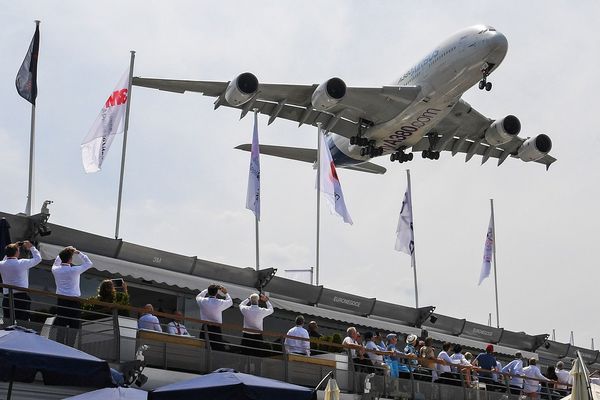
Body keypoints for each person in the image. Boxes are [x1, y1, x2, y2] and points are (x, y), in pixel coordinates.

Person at [51, 246, 93, 345]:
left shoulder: (56, 270)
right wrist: (78, 253)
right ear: (70, 259)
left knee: (61, 324)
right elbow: (89, 263)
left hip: (61, 300)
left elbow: (56, 262)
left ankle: (59, 345)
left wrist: (64, 252)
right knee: (74, 326)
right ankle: (70, 346)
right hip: (74, 301)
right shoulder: (74, 270)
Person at [0, 241, 41, 321]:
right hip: (21, 297)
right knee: (22, 322)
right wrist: (32, 247)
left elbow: (5, 260)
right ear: (17, 253)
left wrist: (12, 249)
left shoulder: (1, 264)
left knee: (7, 322)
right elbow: (38, 259)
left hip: (7, 297)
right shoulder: (22, 262)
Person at [196, 284, 233, 351]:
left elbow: (198, 296)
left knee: (203, 346)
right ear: (216, 293)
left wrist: (207, 289)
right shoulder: (219, 302)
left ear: (208, 291)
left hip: (205, 327)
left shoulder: (202, 301)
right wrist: (225, 293)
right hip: (216, 328)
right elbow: (230, 302)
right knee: (217, 348)